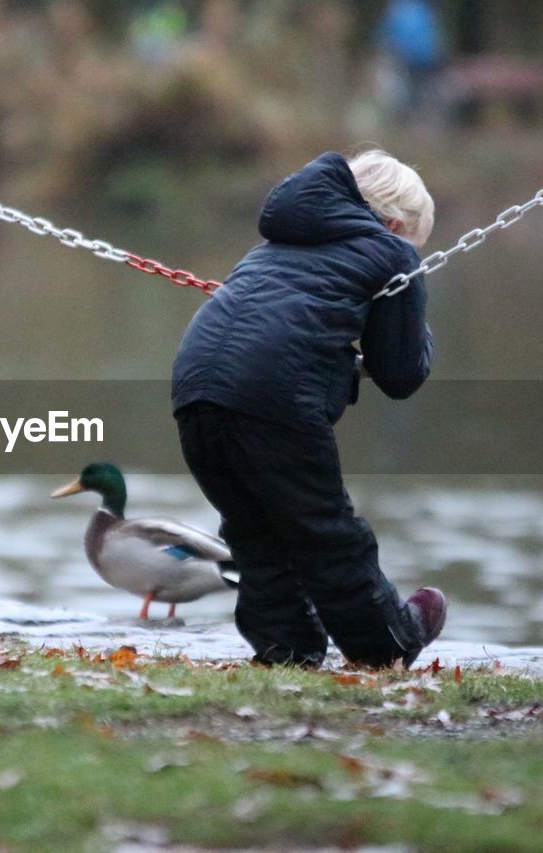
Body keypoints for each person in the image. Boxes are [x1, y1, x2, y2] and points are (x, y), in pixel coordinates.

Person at [171, 149, 446, 669]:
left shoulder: (273, 245)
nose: (415, 255)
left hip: (195, 391)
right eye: (416, 243)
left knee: (254, 529)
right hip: (272, 398)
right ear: (393, 224)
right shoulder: (392, 252)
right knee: (326, 530)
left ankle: (287, 647)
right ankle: (389, 642)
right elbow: (401, 373)